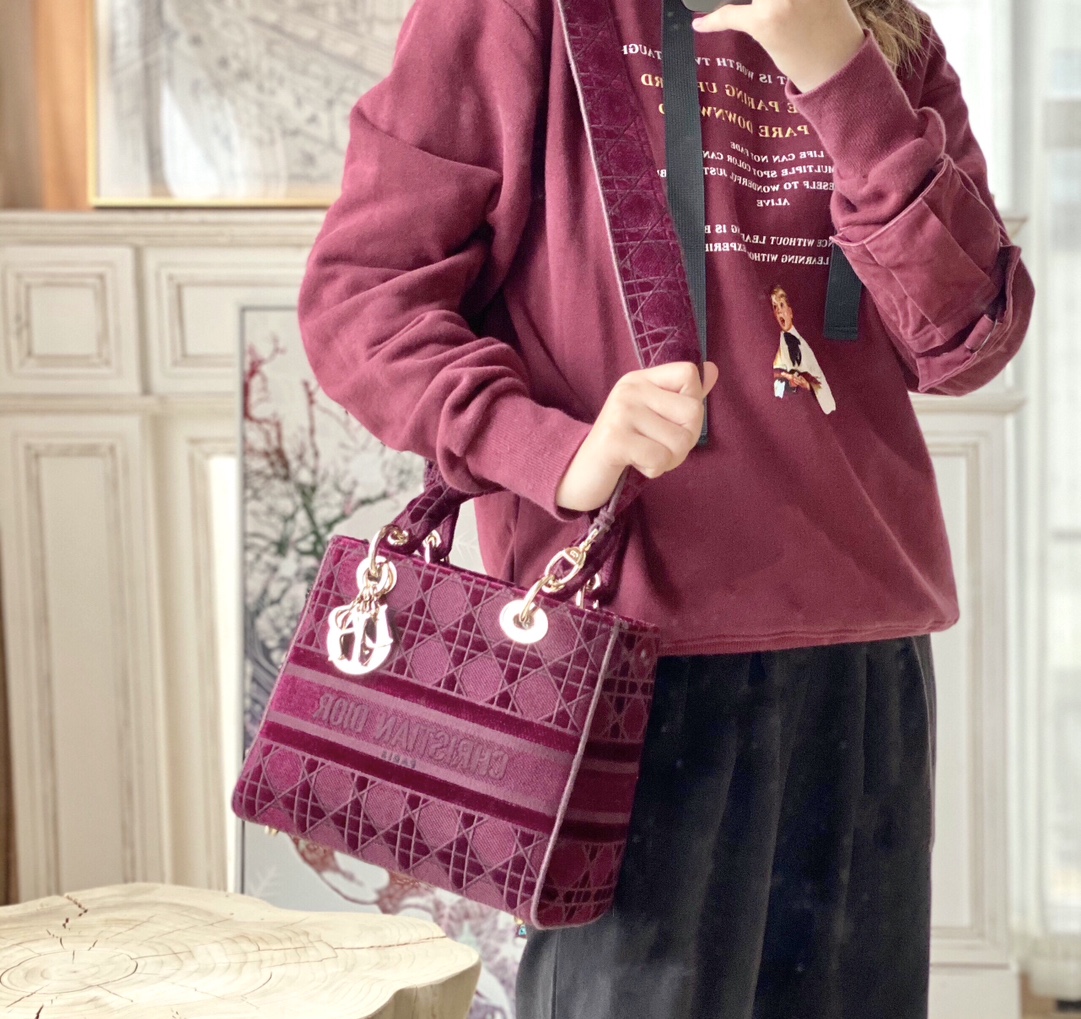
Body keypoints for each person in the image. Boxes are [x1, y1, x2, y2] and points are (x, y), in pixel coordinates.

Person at [297, 0, 1035, 1013]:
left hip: (864, 643)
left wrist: (838, 71)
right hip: (623, 653)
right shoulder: (514, 15)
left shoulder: (882, 29)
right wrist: (557, 452)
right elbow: (363, 300)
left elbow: (965, 337)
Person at [769, 283, 837, 413]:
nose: (778, 311)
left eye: (781, 305)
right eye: (775, 307)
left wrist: (808, 385)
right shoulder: (781, 348)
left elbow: (820, 379)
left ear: (790, 312)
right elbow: (777, 387)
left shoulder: (804, 343)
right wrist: (791, 384)